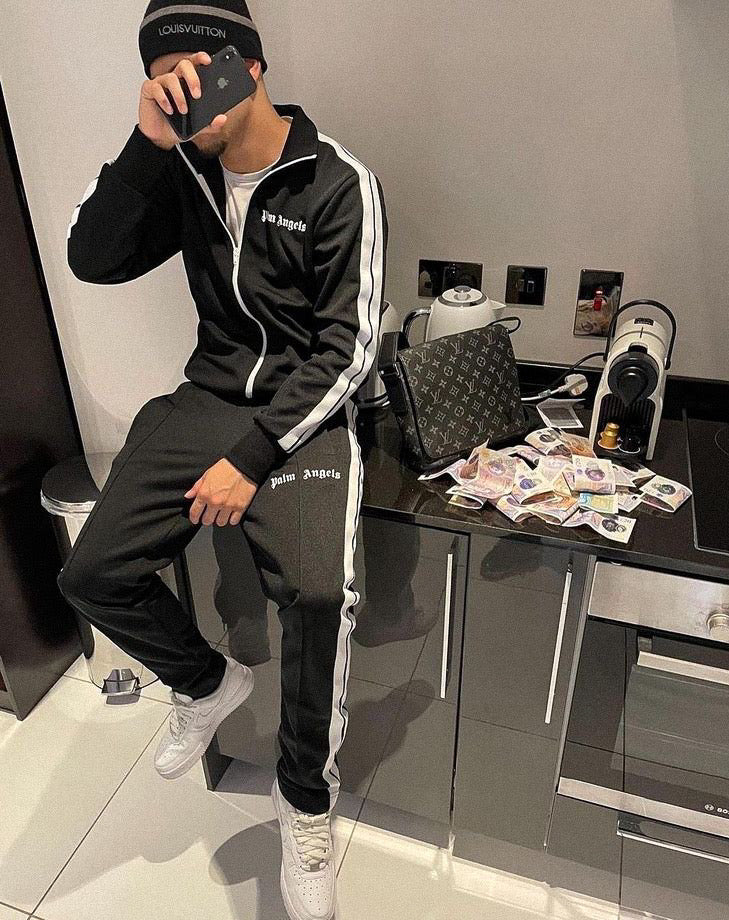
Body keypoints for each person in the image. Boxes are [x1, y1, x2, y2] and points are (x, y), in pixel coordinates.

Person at [58, 2, 388, 918]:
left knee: (319, 597)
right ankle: (205, 682)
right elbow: (92, 258)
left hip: (303, 413)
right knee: (91, 572)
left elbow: (349, 349)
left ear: (248, 66)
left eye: (197, 75)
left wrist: (251, 458)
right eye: (165, 81)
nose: (184, 97)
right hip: (207, 395)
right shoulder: (181, 170)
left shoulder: (337, 180)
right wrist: (145, 144)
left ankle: (304, 801)